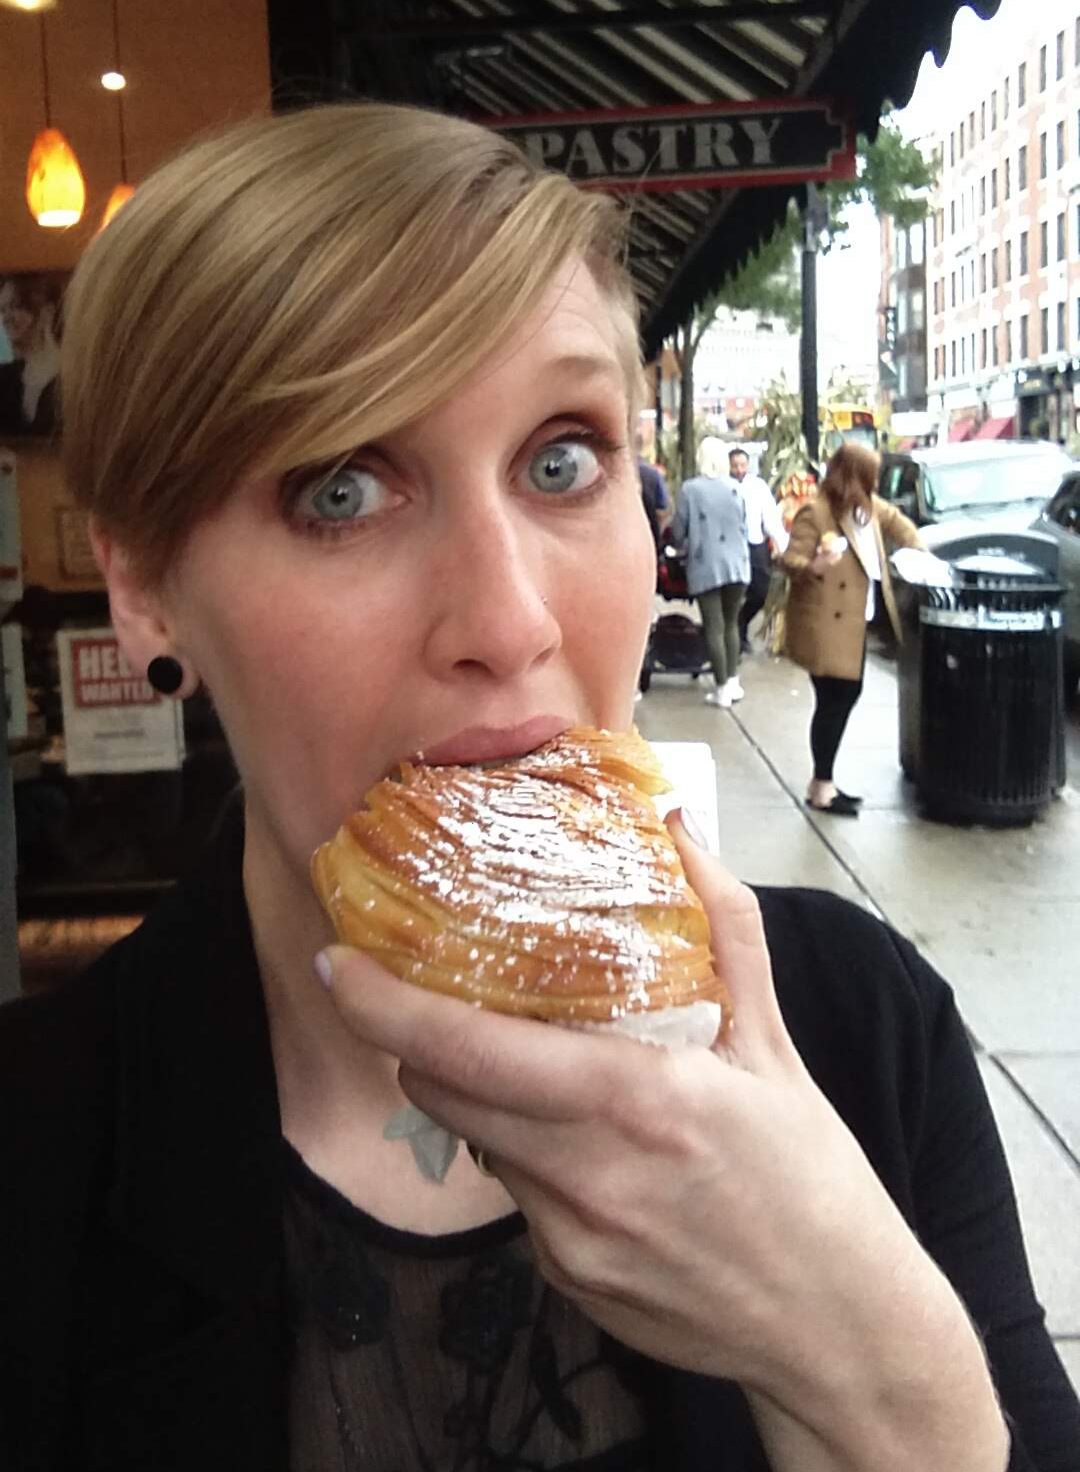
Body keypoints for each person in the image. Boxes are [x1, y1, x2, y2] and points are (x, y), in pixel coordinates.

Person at [0, 104, 1077, 1472]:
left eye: (563, 459)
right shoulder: (34, 1171)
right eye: (342, 488)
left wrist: (879, 1371)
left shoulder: (869, 1042)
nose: (508, 622)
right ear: (145, 586)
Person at [782, 442, 924, 817]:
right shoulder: (817, 513)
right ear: (852, 477)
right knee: (835, 699)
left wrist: (921, 553)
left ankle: (821, 783)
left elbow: (901, 524)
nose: (875, 482)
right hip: (826, 624)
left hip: (856, 621)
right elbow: (789, 559)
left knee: (841, 698)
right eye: (869, 475)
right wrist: (816, 563)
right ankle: (822, 787)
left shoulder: (869, 508)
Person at [671, 436, 749, 708]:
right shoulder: (735, 488)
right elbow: (743, 524)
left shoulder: (690, 490)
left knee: (713, 627)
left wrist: (676, 546)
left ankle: (721, 688)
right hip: (738, 564)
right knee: (731, 624)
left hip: (707, 564)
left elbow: (679, 529)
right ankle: (733, 680)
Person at [728, 446, 788, 653]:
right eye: (735, 465)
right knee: (734, 591)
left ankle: (741, 622)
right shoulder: (723, 486)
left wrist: (782, 543)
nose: (738, 469)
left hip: (755, 544)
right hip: (732, 545)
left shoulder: (758, 487)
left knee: (761, 590)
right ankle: (736, 635)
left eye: (742, 465)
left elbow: (770, 517)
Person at [0, 273, 61, 437]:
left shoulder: (69, 373)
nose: (5, 317)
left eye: (16, 306)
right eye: (2, 309)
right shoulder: (7, 375)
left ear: (47, 312)